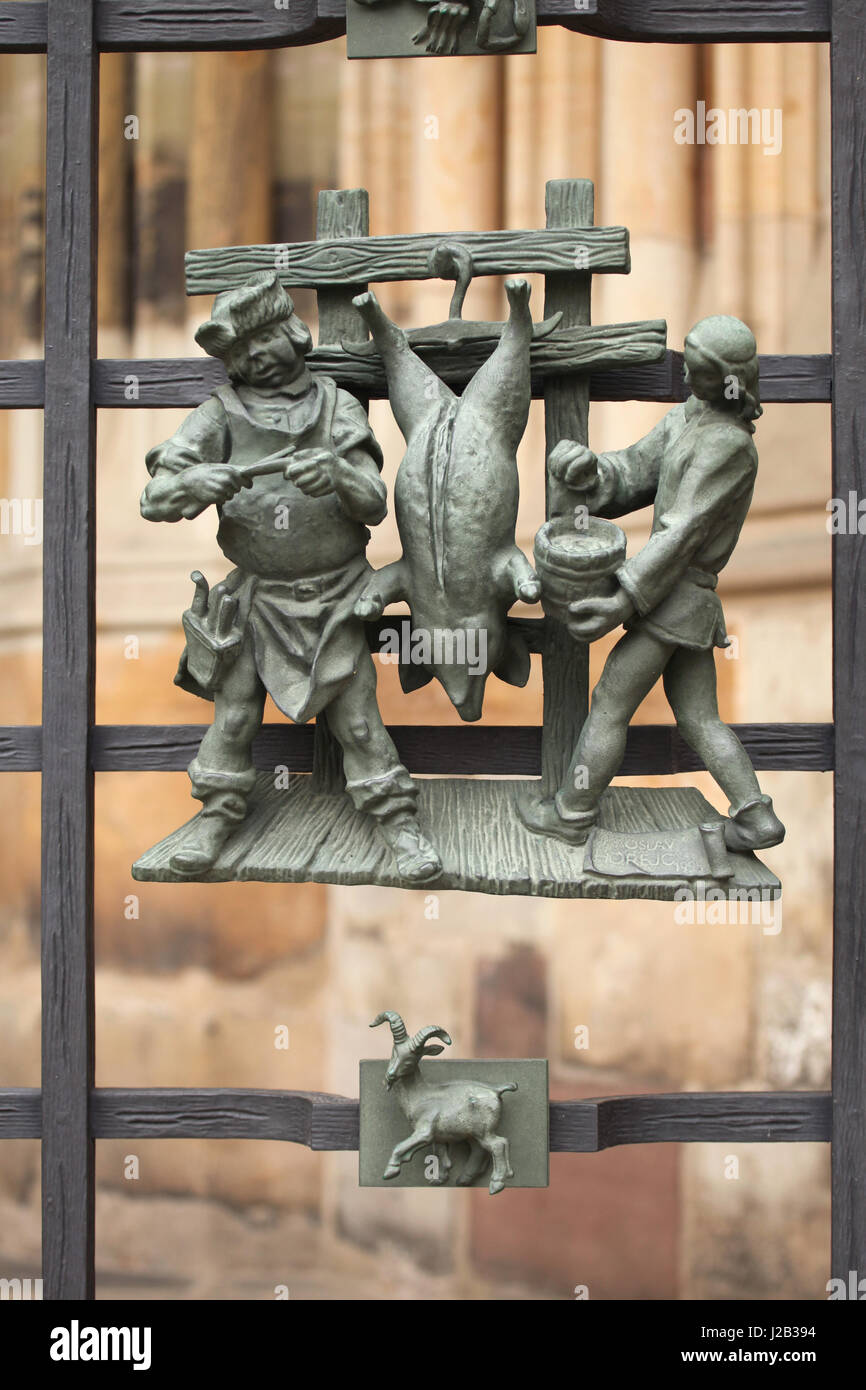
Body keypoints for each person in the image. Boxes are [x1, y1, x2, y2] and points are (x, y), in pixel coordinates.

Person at [141, 270, 441, 882]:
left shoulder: (337, 405)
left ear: (293, 332)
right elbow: (156, 496)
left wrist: (336, 473)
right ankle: (219, 812)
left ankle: (396, 821)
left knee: (358, 719)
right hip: (253, 601)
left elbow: (374, 502)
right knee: (234, 715)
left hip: (337, 596)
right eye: (239, 354)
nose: (255, 360)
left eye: (263, 341)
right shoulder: (217, 415)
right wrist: (192, 483)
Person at [519, 314, 785, 853]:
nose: (684, 374)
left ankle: (573, 813)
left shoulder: (729, 447)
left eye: (698, 369)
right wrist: (589, 473)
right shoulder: (690, 418)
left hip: (676, 599)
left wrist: (623, 599)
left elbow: (681, 533)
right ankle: (755, 817)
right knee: (699, 715)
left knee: (611, 699)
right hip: (674, 599)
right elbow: (635, 470)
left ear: (728, 378)